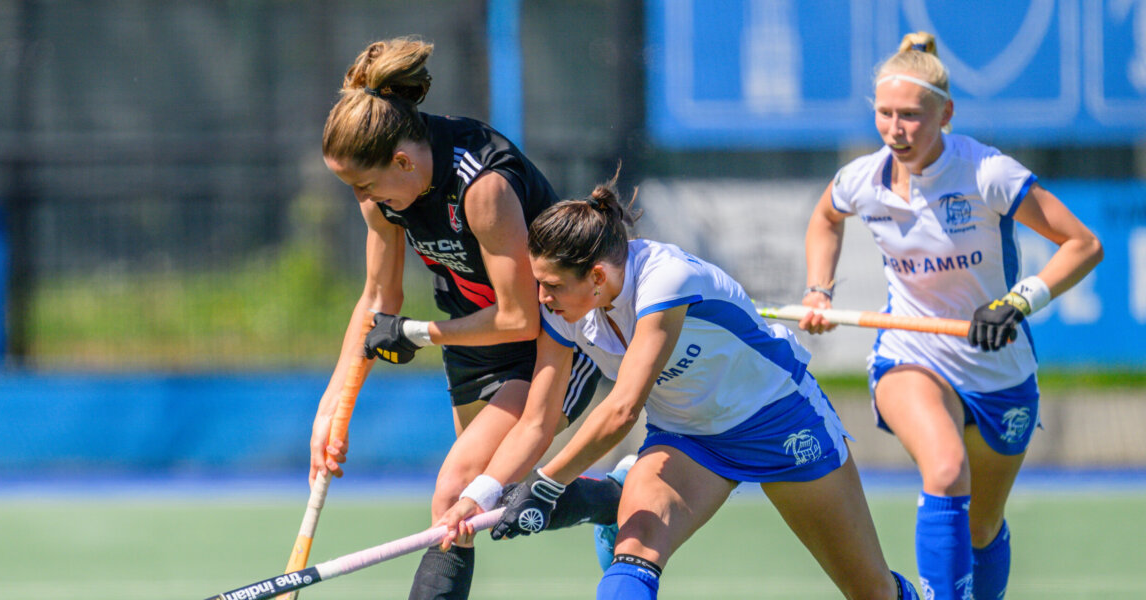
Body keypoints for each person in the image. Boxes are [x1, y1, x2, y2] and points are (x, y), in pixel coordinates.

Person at [437, 177, 921, 600]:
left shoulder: (666, 280)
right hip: (687, 440)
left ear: (597, 276)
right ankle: (624, 493)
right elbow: (537, 421)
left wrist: (545, 484)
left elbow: (623, 409)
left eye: (552, 286)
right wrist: (480, 495)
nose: (541, 298)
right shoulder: (564, 311)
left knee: (871, 591)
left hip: (778, 419)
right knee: (635, 550)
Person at [311, 36, 619, 600]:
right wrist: (334, 405)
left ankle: (618, 499)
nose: (362, 198)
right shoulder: (384, 193)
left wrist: (418, 333)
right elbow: (379, 294)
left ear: (402, 162)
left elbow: (521, 317)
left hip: (554, 340)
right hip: (473, 340)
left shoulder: (482, 187)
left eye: (364, 184)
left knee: (456, 496)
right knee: (487, 499)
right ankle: (613, 499)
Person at [798, 32, 1103, 600]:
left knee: (981, 527)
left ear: (946, 114)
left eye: (911, 116)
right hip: (910, 354)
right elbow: (825, 218)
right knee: (944, 469)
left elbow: (1083, 245)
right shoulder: (863, 179)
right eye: (885, 114)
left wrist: (1017, 302)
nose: (896, 130)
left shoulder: (986, 172)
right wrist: (818, 290)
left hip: (998, 368)